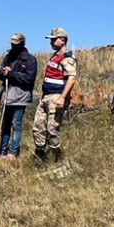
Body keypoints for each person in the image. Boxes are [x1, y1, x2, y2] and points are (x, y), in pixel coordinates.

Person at [32, 27, 77, 165]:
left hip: (57, 96)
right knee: (38, 126)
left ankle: (55, 157)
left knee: (52, 128)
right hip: (46, 96)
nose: (51, 42)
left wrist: (62, 97)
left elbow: (72, 78)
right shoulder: (55, 56)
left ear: (62, 40)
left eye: (53, 39)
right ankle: (40, 153)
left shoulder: (67, 58)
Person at [0, 33, 38, 161]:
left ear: (23, 44)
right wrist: (2, 72)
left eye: (17, 44)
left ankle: (12, 152)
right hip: (6, 96)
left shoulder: (30, 60)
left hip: (20, 97)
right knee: (5, 125)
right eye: (12, 44)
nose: (14, 46)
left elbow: (29, 79)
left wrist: (12, 74)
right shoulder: (7, 57)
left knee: (16, 125)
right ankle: (2, 151)